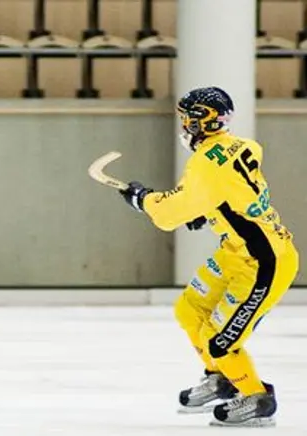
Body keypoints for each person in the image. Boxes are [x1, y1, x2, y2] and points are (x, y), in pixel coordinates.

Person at [117, 86, 298, 427]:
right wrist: (211, 210)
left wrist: (142, 199)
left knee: (218, 342)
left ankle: (257, 397)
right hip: (236, 251)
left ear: (200, 122)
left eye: (187, 119)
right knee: (189, 309)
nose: (184, 125)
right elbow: (234, 190)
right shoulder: (242, 145)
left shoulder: (203, 166)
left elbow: (170, 213)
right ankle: (223, 378)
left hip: (264, 263)